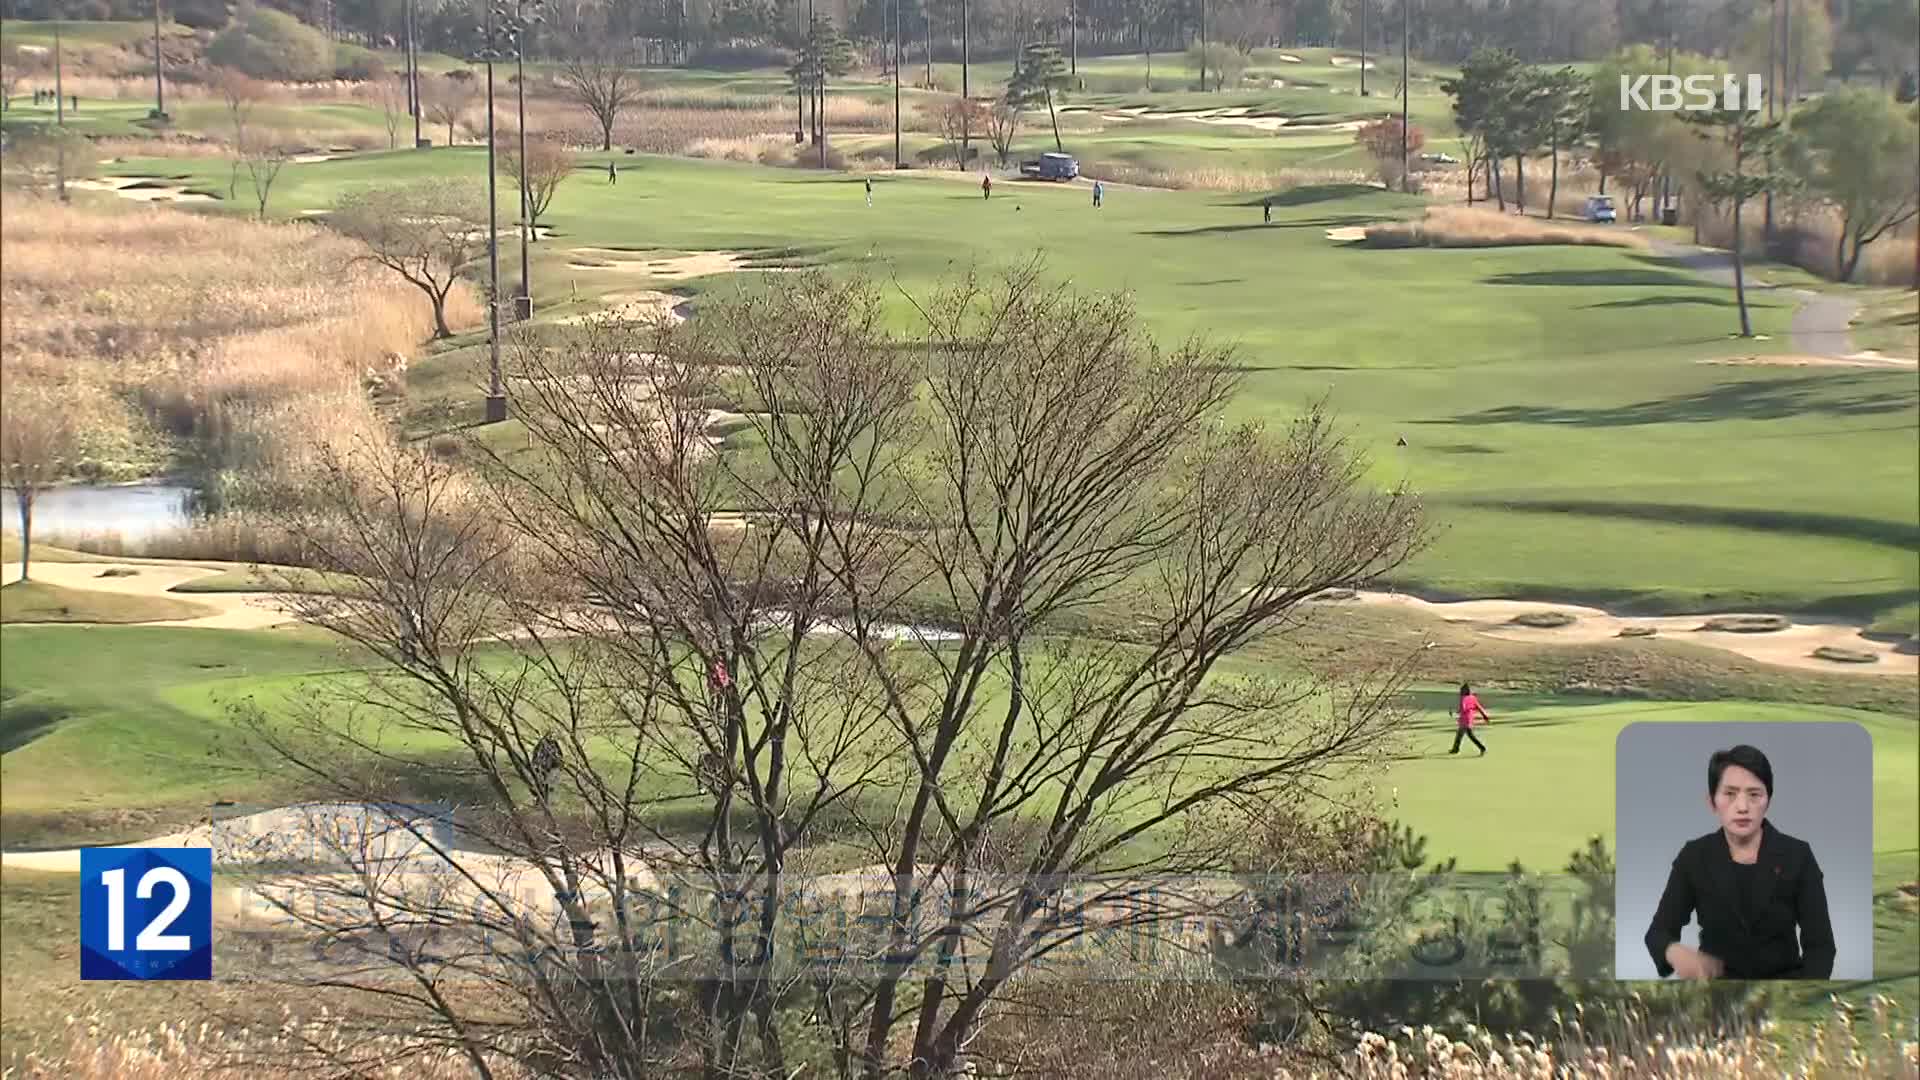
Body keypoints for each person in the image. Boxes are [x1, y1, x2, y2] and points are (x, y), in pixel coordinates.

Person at [1644, 745, 1835, 981]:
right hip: (1716, 992)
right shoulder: (1694, 857)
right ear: (1712, 802)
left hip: (1784, 986)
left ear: (1768, 800)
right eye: (1730, 794)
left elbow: (1821, 946)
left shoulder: (1798, 855)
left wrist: (1805, 990)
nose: (1743, 807)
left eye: (1754, 794)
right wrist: (1674, 952)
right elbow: (1657, 933)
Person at [1449, 683, 1489, 755]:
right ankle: (1455, 749)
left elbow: (1463, 709)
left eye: (1461, 690)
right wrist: (1484, 716)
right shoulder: (1473, 698)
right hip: (1469, 718)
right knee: (1459, 735)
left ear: (1464, 691)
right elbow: (1479, 707)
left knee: (1471, 736)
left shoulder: (1463, 698)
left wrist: (1455, 713)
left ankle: (1482, 748)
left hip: (1464, 720)